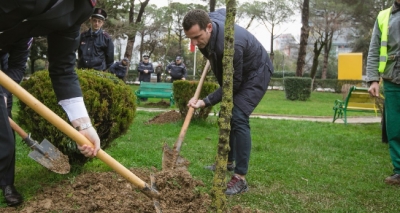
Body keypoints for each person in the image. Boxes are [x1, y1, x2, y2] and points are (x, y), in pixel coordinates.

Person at [0, 0, 101, 206]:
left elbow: (63, 69)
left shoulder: (81, 8)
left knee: (4, 140)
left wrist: (83, 125)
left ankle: (6, 183)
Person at [183, 9, 273, 195]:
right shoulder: (211, 21)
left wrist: (205, 101)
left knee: (238, 115)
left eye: (197, 37)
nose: (194, 43)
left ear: (209, 28)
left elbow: (233, 85)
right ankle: (227, 162)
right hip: (239, 70)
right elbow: (222, 11)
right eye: (190, 38)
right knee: (226, 113)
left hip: (256, 72)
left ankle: (240, 178)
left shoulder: (232, 45)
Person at [366, 0, 400, 185]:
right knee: (394, 127)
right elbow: (374, 49)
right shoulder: (383, 16)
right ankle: (399, 171)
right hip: (392, 77)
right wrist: (373, 79)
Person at [0, 38, 32, 206]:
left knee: (5, 133)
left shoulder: (23, 31)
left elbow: (18, 66)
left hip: (2, 70)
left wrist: (4, 93)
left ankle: (6, 183)